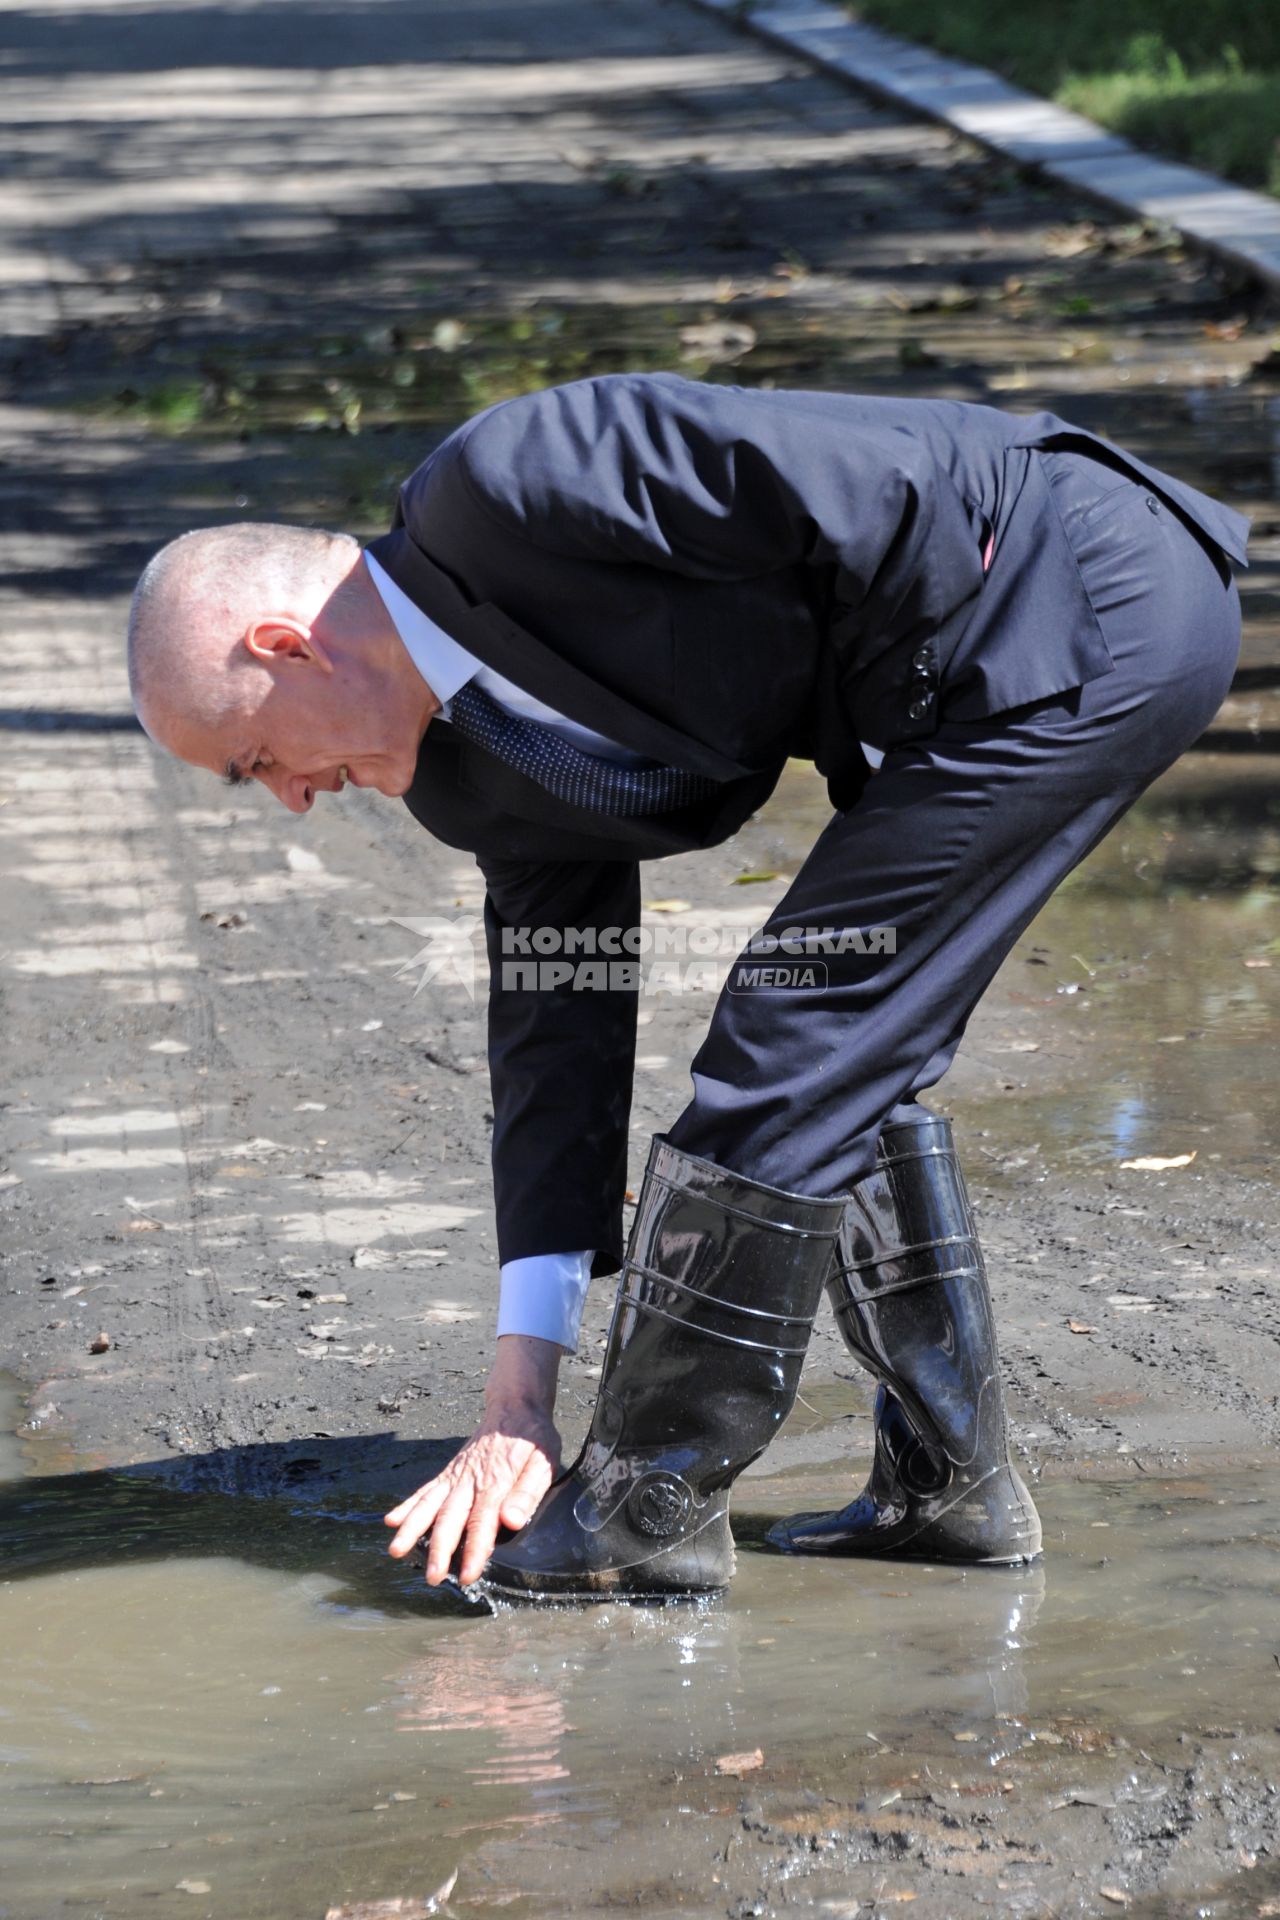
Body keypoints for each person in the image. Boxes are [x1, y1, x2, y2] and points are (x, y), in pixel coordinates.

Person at [127, 374, 1248, 1601]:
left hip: (1073, 595)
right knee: (837, 1037)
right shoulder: (466, 776)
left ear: (284, 647)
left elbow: (870, 480)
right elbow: (559, 1034)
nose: (289, 795)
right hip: (968, 699)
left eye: (253, 758)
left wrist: (891, 756)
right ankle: (950, 1491)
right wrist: (516, 1404)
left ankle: (641, 1505)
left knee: (797, 1019)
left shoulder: (513, 479)